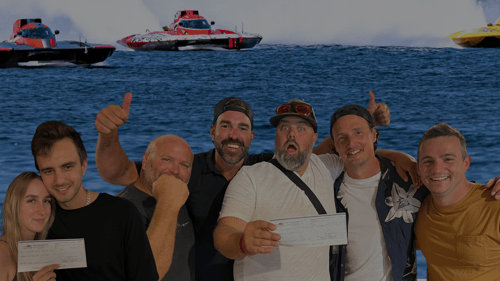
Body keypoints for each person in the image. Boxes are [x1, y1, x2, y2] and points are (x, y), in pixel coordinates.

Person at [94, 92, 391, 280]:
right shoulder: (188, 168)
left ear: (251, 138)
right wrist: (108, 135)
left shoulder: (301, 164)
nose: (233, 135)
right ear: (212, 132)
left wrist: (398, 157)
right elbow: (121, 173)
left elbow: (345, 148)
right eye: (225, 126)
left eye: (243, 128)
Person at [214, 99, 344, 280]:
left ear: (314, 139)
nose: (291, 134)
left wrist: (395, 157)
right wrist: (242, 243)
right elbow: (224, 232)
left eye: (301, 129)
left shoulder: (326, 167)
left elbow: (358, 153)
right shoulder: (251, 177)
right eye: (284, 128)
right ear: (276, 135)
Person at [31, 120, 158, 281]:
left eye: (67, 167)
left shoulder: (122, 213)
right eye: (48, 171)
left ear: (83, 166)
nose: (59, 180)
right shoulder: (36, 220)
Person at [328, 104, 430, 281]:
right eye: (342, 137)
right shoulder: (326, 186)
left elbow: (451, 193)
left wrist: (492, 187)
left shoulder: (406, 178)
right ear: (335, 146)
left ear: (374, 134)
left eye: (358, 132)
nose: (351, 143)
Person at [414, 123, 500, 280]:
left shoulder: (495, 205)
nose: (437, 169)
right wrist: (397, 157)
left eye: (448, 159)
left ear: (466, 163)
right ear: (418, 168)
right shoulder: (419, 210)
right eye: (428, 161)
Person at [115, 134, 195, 281]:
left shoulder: (182, 197)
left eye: (184, 165)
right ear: (145, 161)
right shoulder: (119, 210)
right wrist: (167, 200)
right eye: (167, 160)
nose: (175, 171)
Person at [0, 172, 59, 281]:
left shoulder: (39, 252)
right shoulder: (2, 254)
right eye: (31, 200)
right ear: (14, 205)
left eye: (46, 201)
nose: (42, 211)